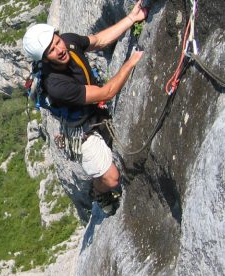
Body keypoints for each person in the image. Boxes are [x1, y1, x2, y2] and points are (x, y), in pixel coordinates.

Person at [22, 2, 147, 205]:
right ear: (45, 59)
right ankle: (100, 193)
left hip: (92, 109)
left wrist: (131, 19)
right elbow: (106, 92)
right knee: (112, 178)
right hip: (80, 131)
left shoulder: (69, 41)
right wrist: (130, 63)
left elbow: (98, 40)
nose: (59, 49)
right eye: (51, 51)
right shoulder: (55, 84)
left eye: (57, 42)